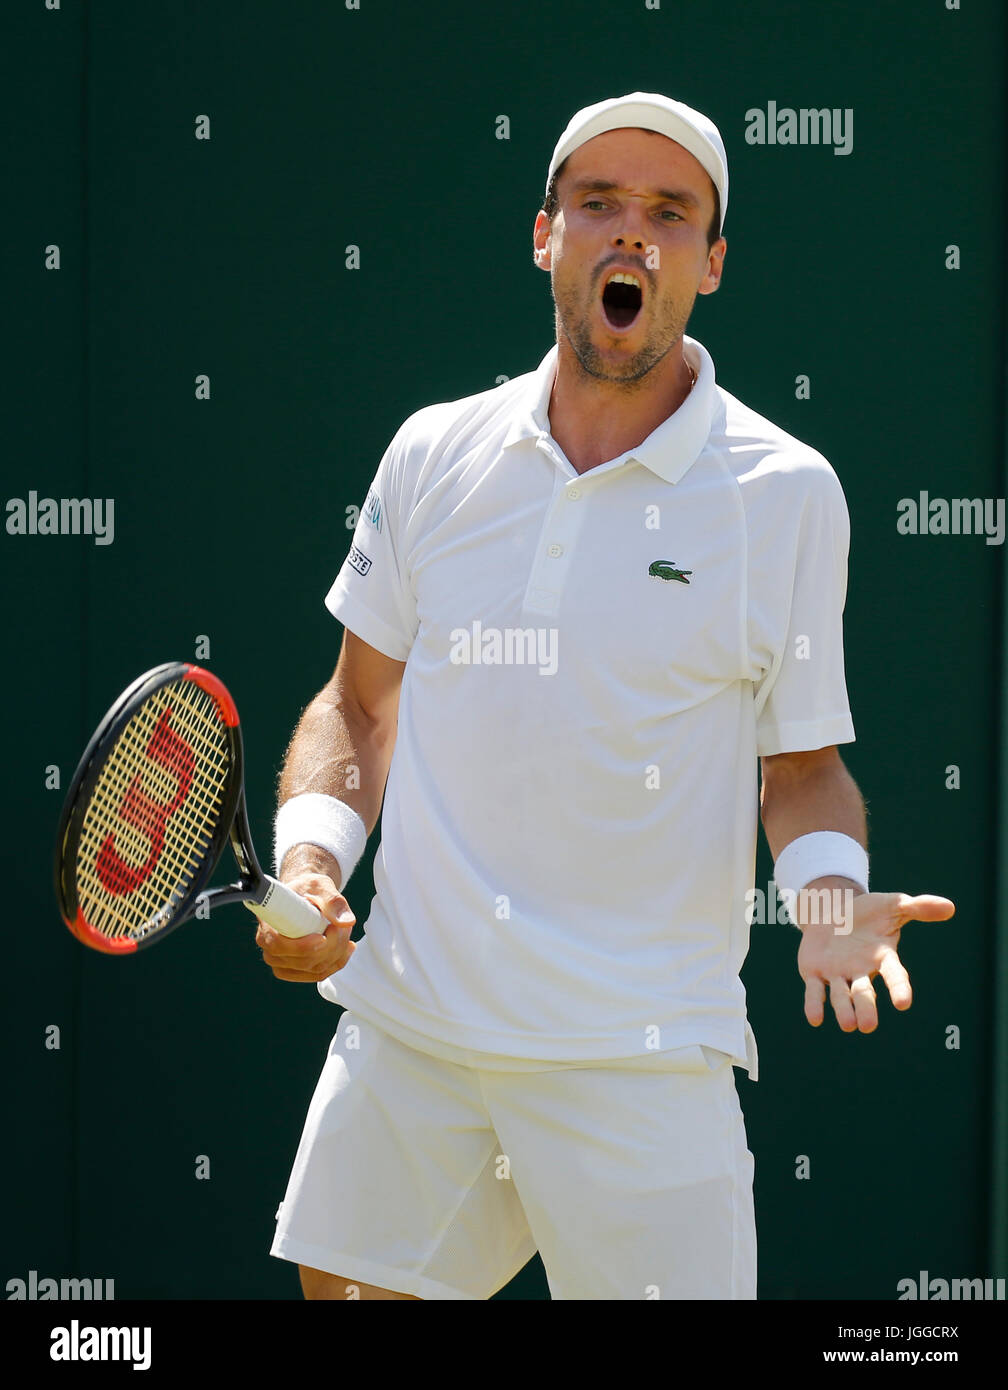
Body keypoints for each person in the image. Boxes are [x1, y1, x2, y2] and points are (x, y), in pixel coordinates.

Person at [257, 93, 955, 1301]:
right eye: (600, 205)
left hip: (641, 1059)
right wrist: (313, 857)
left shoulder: (787, 493)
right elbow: (358, 705)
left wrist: (826, 895)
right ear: (548, 236)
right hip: (413, 1037)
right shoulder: (432, 452)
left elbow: (800, 769)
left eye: (670, 214)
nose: (631, 235)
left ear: (712, 262)